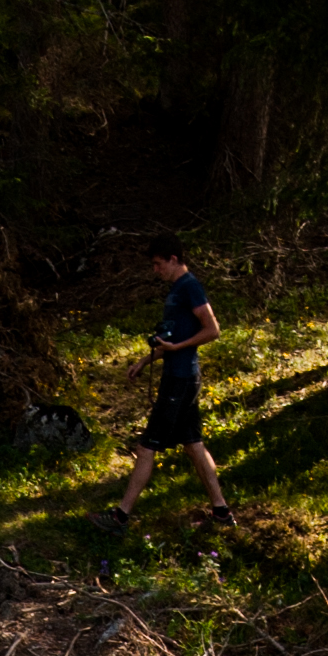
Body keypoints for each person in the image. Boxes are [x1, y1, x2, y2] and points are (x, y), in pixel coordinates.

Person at [109, 232, 232, 550]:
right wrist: (145, 360)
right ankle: (221, 511)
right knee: (193, 444)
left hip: (180, 380)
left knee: (146, 446)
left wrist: (179, 347)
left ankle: (120, 517)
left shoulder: (189, 286)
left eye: (158, 264)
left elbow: (212, 330)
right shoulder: (176, 290)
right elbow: (171, 340)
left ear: (173, 259)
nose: (155, 270)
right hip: (179, 377)